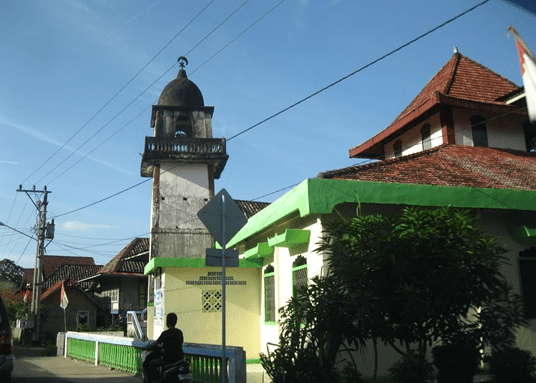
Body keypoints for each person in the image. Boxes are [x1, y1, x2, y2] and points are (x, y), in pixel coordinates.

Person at [142, 313, 184, 383]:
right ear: (176, 321)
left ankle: (155, 380)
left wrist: (147, 347)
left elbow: (156, 343)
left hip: (168, 359)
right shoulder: (179, 332)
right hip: (179, 358)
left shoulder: (166, 333)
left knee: (152, 363)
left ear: (167, 322)